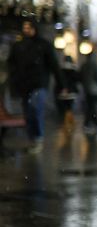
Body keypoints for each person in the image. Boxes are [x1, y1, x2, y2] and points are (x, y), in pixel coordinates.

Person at [6, 19, 63, 148]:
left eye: (29, 27)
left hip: (38, 83)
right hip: (25, 84)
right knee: (28, 112)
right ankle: (33, 137)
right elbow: (12, 64)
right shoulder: (19, 46)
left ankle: (37, 137)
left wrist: (62, 84)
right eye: (25, 27)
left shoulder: (43, 45)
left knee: (36, 108)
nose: (26, 30)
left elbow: (54, 65)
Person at [79, 49, 97, 133]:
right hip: (95, 90)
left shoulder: (84, 65)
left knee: (90, 106)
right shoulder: (94, 65)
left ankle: (91, 122)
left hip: (87, 89)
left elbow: (80, 77)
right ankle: (92, 122)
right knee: (92, 107)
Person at [56, 54, 80, 128]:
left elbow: (58, 80)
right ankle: (70, 123)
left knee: (64, 109)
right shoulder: (73, 69)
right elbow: (77, 79)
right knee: (70, 108)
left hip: (62, 92)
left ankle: (65, 122)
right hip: (71, 92)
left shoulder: (61, 70)